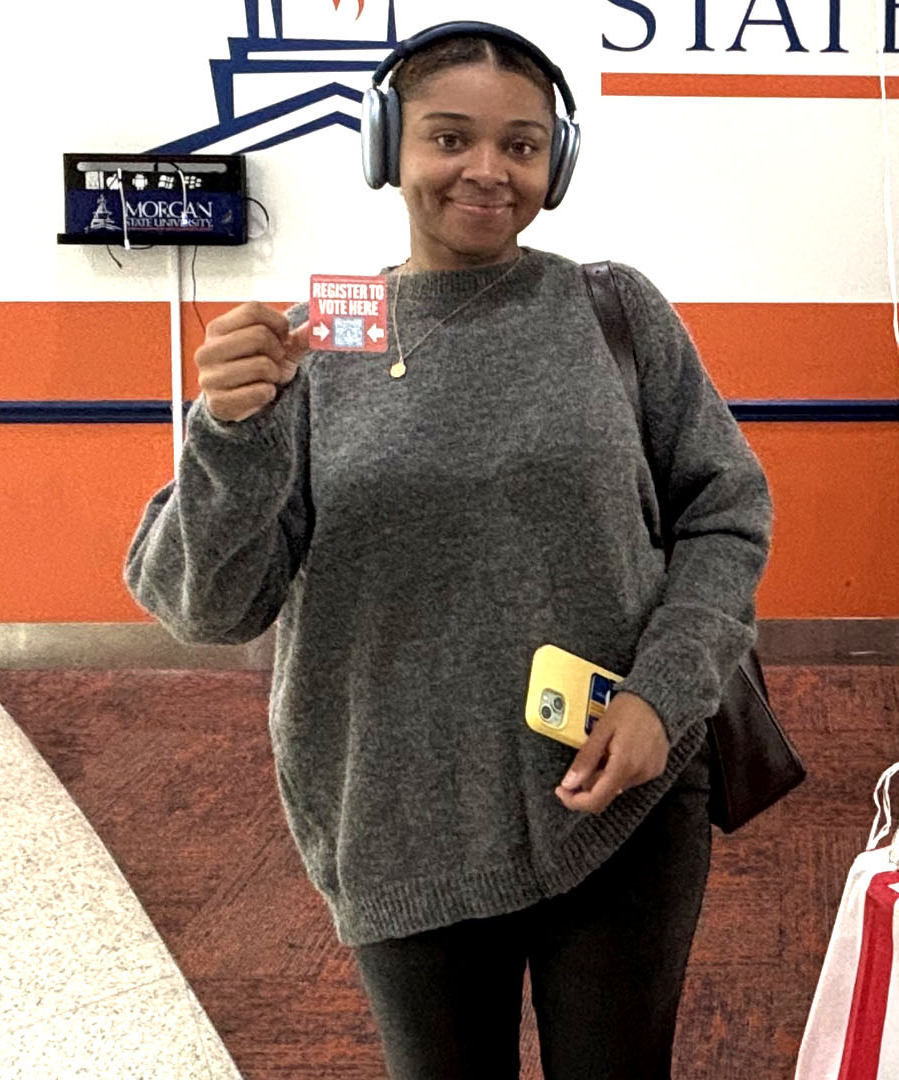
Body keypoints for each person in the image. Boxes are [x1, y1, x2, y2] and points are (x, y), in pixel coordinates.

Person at [123, 23, 771, 1079]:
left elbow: (726, 511)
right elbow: (208, 606)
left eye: (520, 145)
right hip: (395, 820)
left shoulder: (613, 309)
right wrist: (229, 436)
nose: (487, 170)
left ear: (555, 162)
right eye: (449, 138)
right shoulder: (312, 347)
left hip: (622, 795)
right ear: (389, 148)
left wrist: (665, 694)